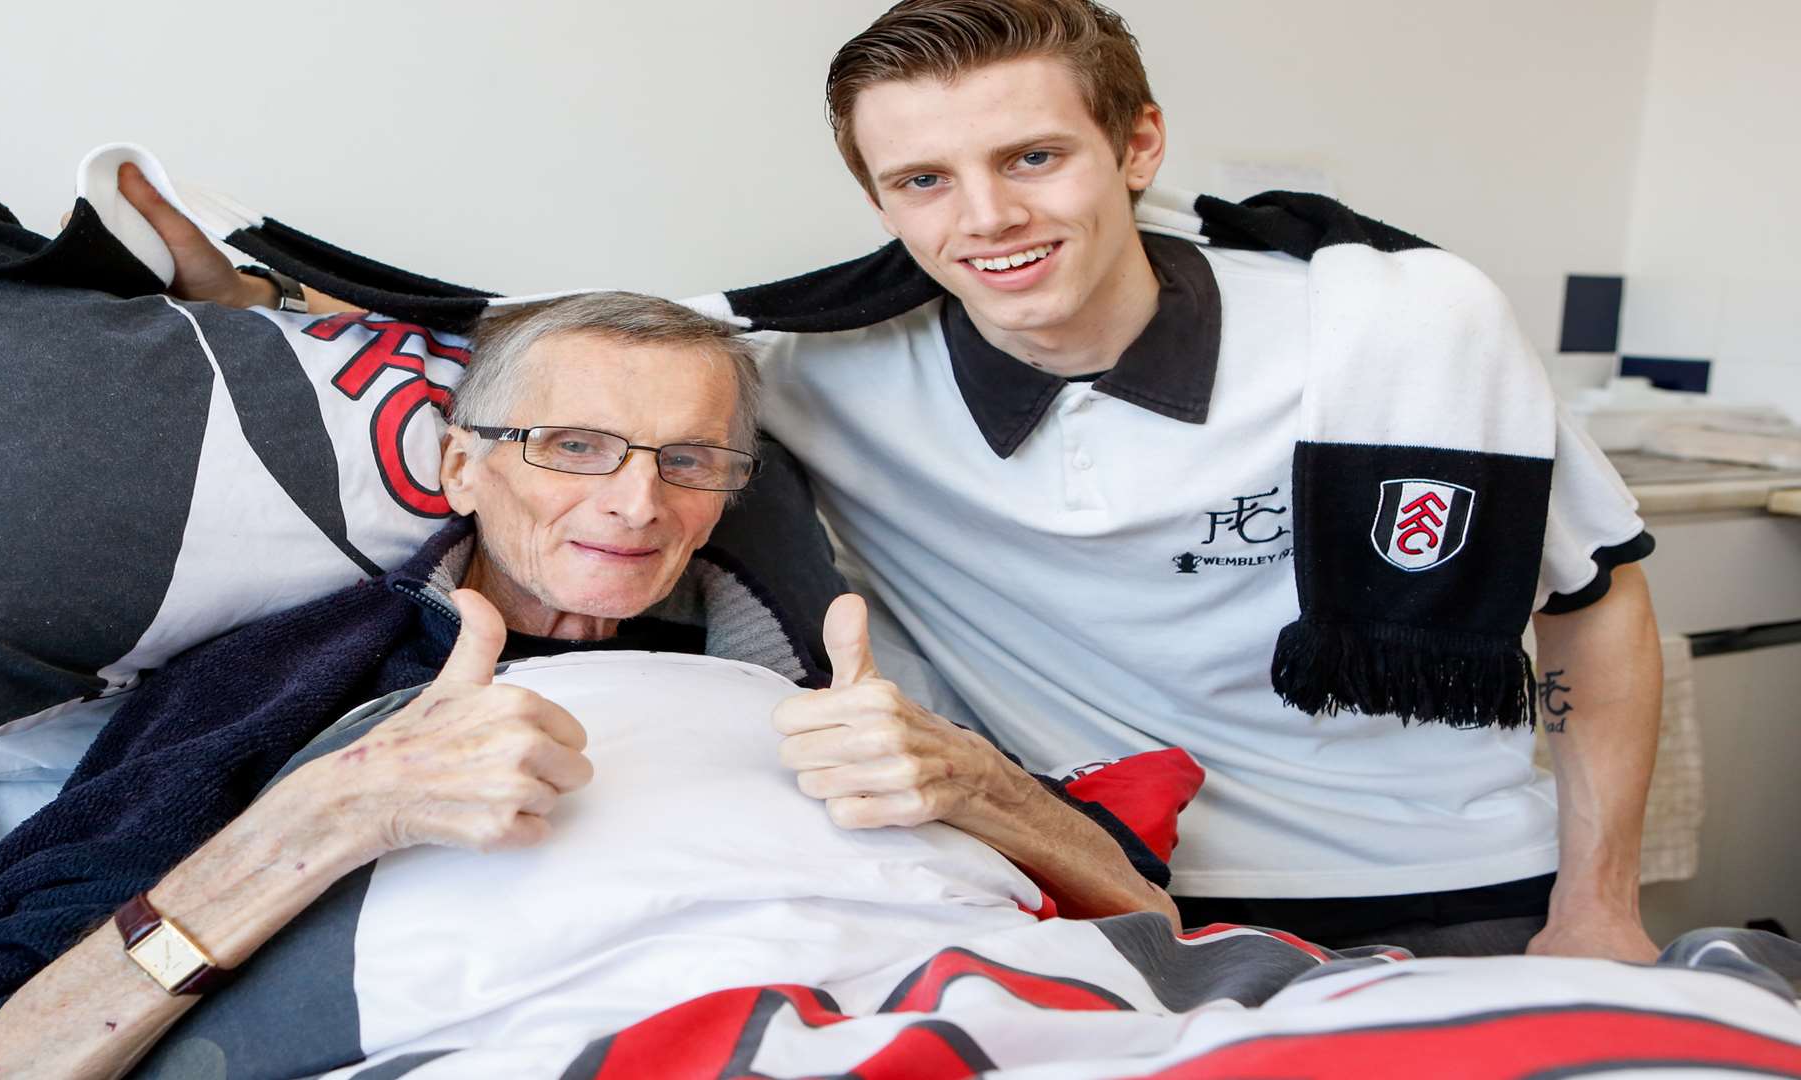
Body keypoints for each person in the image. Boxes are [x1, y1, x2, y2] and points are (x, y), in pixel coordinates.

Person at [108, 0, 1660, 962]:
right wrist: (245, 312)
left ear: (1137, 144)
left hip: (1465, 885)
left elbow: (1597, 614)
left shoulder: (1404, 322)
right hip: (1100, 889)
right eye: (923, 180)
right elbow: (545, 361)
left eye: (1034, 158)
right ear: (876, 199)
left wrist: (1599, 903)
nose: (986, 218)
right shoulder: (820, 374)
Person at [0, 289, 1175, 1080]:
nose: (637, 503)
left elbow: (1149, 917)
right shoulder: (283, 674)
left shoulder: (806, 668)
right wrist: (337, 813)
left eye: (690, 459)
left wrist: (980, 790)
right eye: (573, 448)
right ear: (463, 466)